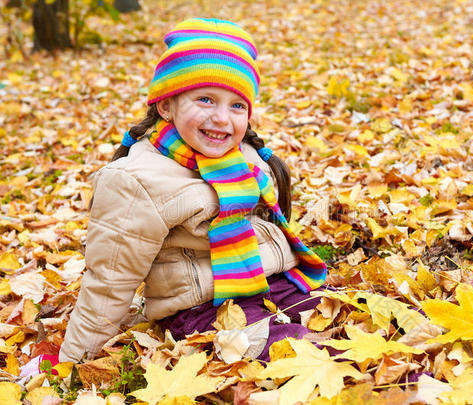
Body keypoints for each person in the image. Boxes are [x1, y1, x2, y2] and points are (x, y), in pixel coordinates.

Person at [59, 18, 327, 363]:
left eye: (237, 105)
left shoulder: (239, 157)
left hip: (274, 286)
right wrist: (71, 366)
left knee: (363, 323)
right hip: (202, 310)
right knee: (309, 356)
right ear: (166, 105)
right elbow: (108, 284)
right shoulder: (137, 180)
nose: (222, 118)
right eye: (205, 99)